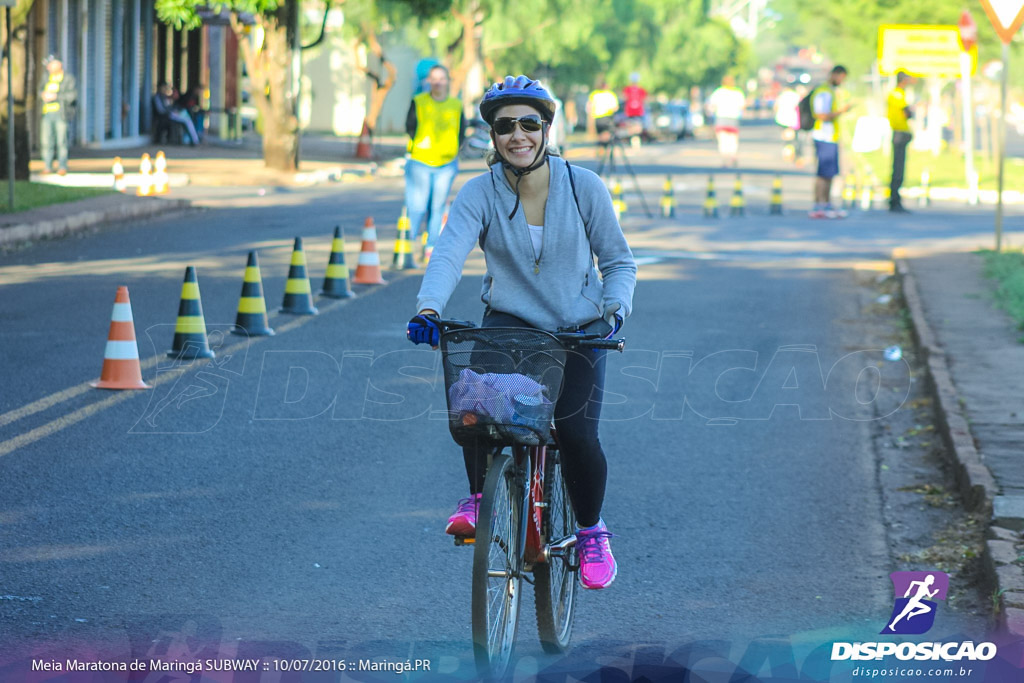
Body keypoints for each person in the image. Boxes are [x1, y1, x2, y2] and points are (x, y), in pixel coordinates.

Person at [406, 75, 637, 590]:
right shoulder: (479, 191)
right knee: (475, 406)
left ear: (546, 129)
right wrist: (428, 307)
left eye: (529, 124)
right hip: (511, 325)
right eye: (505, 126)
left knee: (576, 433)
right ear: (492, 135)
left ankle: (592, 531)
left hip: (578, 328)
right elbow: (448, 251)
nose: (518, 135)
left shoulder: (585, 186)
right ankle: (482, 496)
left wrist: (615, 309)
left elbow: (619, 262)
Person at [404, 64, 465, 264]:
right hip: (420, 161)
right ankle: (407, 245)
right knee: (418, 205)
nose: (438, 82)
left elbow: (461, 130)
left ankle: (430, 246)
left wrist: (454, 149)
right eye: (434, 78)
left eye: (442, 78)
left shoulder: (456, 105)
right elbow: (409, 126)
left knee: (437, 206)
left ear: (447, 81)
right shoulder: (419, 101)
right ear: (428, 81)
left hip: (446, 163)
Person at [808, 65, 851, 219]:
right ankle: (819, 205)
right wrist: (841, 111)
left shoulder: (829, 91)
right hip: (824, 136)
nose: (842, 81)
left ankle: (826, 204)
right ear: (835, 75)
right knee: (823, 174)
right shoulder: (824, 92)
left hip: (829, 137)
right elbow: (822, 115)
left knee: (830, 174)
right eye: (841, 78)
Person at [38, 55, 77, 176]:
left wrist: (55, 96)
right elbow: (39, 90)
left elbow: (72, 96)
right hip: (47, 113)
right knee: (46, 141)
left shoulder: (68, 79)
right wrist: (43, 95)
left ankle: (62, 166)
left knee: (61, 141)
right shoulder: (46, 77)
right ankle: (47, 166)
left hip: (61, 114)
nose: (48, 67)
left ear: (59, 64)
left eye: (51, 64)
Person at [887, 71, 915, 213]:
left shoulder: (897, 93)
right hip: (899, 133)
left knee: (899, 166)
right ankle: (894, 199)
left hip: (900, 132)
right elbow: (907, 112)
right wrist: (911, 111)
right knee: (898, 167)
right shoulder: (898, 94)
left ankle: (895, 198)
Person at [706, 75, 746, 168]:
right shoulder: (737, 92)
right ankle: (732, 156)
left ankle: (725, 159)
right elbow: (743, 106)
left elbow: (711, 106)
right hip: (733, 118)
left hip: (721, 118)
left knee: (723, 140)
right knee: (733, 140)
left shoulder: (719, 92)